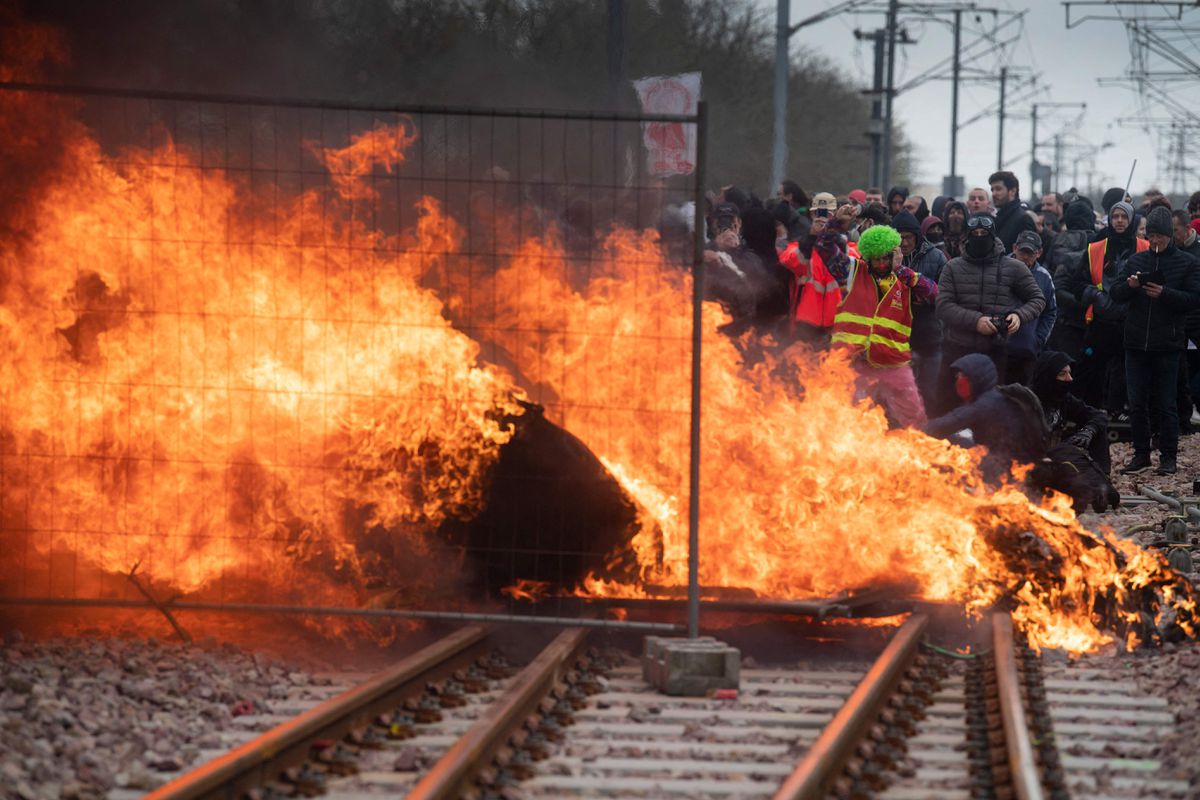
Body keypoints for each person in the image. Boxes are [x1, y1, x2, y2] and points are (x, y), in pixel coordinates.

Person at [1110, 207, 1200, 475]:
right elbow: (1116, 293)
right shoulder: (1137, 262)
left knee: (1166, 403)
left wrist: (1164, 293)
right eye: (1151, 236)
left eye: (1160, 236)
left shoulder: (1187, 263)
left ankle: (1168, 456)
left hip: (1168, 345)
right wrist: (1131, 287)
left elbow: (1194, 299)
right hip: (1136, 343)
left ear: (1170, 236)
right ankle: (1141, 454)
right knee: (1137, 403)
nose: (1156, 242)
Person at [934, 212, 1046, 411]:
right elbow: (943, 305)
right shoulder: (952, 267)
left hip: (996, 351)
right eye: (974, 233)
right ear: (967, 237)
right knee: (948, 408)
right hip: (957, 349)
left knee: (991, 411)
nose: (979, 237)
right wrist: (976, 321)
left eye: (983, 232)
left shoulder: (1014, 267)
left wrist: (1019, 316)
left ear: (992, 236)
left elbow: (1037, 299)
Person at [830, 224, 936, 427]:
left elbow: (933, 293)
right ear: (867, 257)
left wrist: (901, 269)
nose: (880, 263)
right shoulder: (852, 272)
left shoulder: (906, 279)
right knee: (852, 418)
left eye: (886, 257)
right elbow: (826, 251)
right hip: (855, 363)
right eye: (876, 258)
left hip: (893, 363)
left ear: (894, 256)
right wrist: (834, 223)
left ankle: (919, 452)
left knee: (914, 416)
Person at [1060, 200, 1147, 415]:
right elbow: (1076, 283)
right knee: (1091, 371)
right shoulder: (1095, 249)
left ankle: (1125, 415)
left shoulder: (1144, 247)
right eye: (1115, 216)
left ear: (1131, 220)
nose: (1119, 221)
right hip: (1101, 320)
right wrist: (1095, 295)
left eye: (1123, 217)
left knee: (1129, 373)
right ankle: (1090, 415)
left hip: (1132, 321)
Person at [924, 353, 1049, 482]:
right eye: (958, 377)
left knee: (949, 443)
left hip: (1004, 467)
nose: (959, 381)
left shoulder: (984, 404)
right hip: (1014, 461)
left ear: (977, 378)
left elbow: (945, 425)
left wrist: (916, 431)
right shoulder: (997, 395)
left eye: (964, 377)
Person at [1026, 351, 1119, 513]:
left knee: (1097, 430)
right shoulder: (1027, 400)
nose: (1069, 379)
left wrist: (1088, 431)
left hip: (1056, 456)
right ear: (1048, 376)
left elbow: (1098, 416)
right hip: (1030, 463)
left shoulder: (1064, 399)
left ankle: (1102, 481)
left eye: (1070, 373)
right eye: (1062, 374)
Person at [894, 209, 948, 407]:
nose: (905, 243)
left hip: (929, 337)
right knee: (899, 394)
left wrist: (919, 295)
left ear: (917, 236)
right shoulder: (883, 258)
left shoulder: (937, 257)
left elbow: (945, 294)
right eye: (900, 238)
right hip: (896, 337)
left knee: (929, 392)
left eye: (908, 237)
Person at [1046, 198, 1098, 360]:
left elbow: (1047, 271)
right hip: (1089, 312)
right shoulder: (1096, 240)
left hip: (1060, 314)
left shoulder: (1056, 239)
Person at [1006, 231, 1058, 379]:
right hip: (998, 348)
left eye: (1030, 253)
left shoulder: (1044, 277)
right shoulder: (998, 268)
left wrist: (1038, 339)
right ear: (1015, 248)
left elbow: (1051, 312)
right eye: (1023, 252)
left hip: (1027, 351)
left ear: (1039, 253)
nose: (1025, 257)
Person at [989, 170, 1036, 253]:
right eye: (992, 190)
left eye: (998, 189)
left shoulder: (1023, 219)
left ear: (1013, 191)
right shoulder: (999, 218)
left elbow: (1026, 256)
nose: (993, 193)